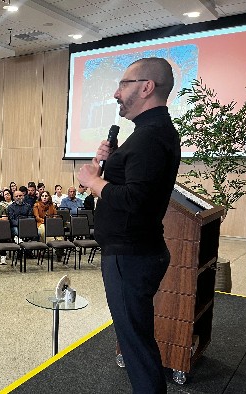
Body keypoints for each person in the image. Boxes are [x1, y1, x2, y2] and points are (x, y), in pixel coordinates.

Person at [77, 57, 180, 394]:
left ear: (146, 87)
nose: (115, 93)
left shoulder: (150, 136)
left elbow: (136, 201)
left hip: (130, 256)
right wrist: (117, 159)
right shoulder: (149, 134)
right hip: (135, 252)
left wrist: (94, 181)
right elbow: (139, 182)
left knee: (135, 345)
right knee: (135, 338)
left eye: (123, 84)